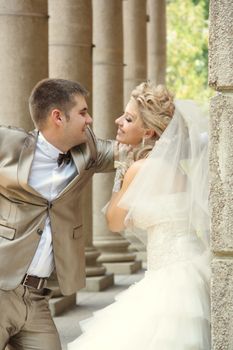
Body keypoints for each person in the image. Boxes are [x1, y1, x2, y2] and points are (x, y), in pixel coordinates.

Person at [68, 82, 210, 350]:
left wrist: (122, 167)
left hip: (168, 276)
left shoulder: (140, 169)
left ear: (149, 131)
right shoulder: (181, 173)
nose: (118, 121)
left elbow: (114, 221)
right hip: (193, 269)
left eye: (129, 118)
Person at [0, 78, 116, 350]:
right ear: (57, 117)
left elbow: (128, 151)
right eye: (83, 112)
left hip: (38, 299)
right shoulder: (7, 143)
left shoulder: (88, 151)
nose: (90, 119)